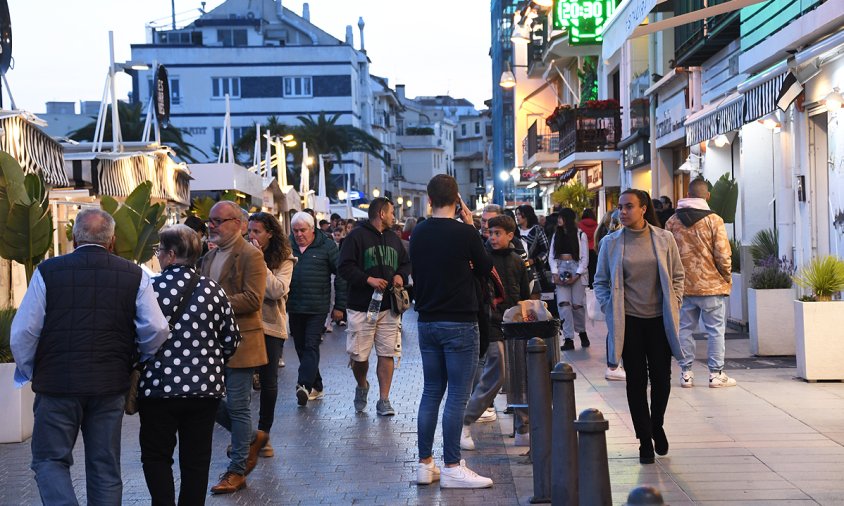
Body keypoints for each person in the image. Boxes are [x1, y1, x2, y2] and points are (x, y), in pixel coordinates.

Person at [10, 208, 169, 505]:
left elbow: (24, 332)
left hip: (57, 386)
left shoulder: (47, 271)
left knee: (50, 461)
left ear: (73, 238)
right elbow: (157, 327)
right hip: (110, 384)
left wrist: (33, 369)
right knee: (105, 466)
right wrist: (138, 357)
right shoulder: (134, 275)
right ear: (112, 241)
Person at [140, 224, 241, 505]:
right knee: (196, 459)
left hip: (158, 388)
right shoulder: (213, 290)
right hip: (204, 390)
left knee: (156, 455)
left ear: (171, 255)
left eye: (159, 250)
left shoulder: (150, 289)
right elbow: (232, 338)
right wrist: (211, 361)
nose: (158, 256)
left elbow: (136, 334)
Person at [410, 174, 494, 489]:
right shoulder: (464, 234)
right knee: (458, 394)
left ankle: (424, 464)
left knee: (431, 391)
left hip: (427, 321)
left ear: (429, 200)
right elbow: (485, 267)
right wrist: (472, 226)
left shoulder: (417, 232)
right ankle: (452, 465)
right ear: (457, 199)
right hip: (459, 321)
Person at [593, 189, 684, 465]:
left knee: (662, 379)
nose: (622, 212)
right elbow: (600, 281)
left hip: (659, 321)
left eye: (628, 206)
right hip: (628, 321)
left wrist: (676, 302)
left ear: (643, 208)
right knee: (635, 382)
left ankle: (657, 425)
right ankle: (645, 439)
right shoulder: (611, 243)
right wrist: (609, 307)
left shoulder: (664, 239)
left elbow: (678, 275)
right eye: (620, 207)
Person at [199, 201, 268, 494]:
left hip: (242, 341)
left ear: (238, 223)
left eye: (218, 220)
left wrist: (215, 301)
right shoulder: (208, 257)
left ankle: (237, 470)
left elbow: (253, 299)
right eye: (210, 221)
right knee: (209, 401)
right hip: (211, 343)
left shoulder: (251, 255)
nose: (212, 225)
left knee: (239, 407)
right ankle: (252, 436)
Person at [460, 214, 530, 451]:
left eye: (497, 233)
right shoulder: (483, 259)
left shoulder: (518, 261)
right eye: (490, 233)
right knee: (497, 374)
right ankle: (465, 420)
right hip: (490, 324)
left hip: (515, 326)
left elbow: (524, 295)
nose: (492, 237)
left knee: (520, 377)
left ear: (510, 235)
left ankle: (523, 427)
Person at [338, 197, 411, 416]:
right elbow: (344, 267)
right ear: (381, 213)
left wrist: (400, 274)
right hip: (361, 306)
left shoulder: (394, 238)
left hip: (389, 306)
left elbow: (406, 263)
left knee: (387, 353)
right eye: (390, 212)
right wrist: (367, 279)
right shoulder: (355, 237)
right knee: (359, 356)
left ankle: (384, 399)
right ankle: (362, 385)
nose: (393, 216)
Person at [665, 179, 735, 388]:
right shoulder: (714, 220)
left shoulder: (672, 221)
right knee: (715, 330)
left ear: (687, 194)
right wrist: (726, 276)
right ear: (708, 196)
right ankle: (716, 374)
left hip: (683, 288)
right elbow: (723, 254)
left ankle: (686, 373)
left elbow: (667, 255)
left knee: (684, 330)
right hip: (711, 286)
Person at [247, 212, 296, 458]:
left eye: (257, 231)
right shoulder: (241, 254)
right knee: (241, 381)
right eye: (250, 231)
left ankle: (263, 434)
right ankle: (244, 435)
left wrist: (259, 261)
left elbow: (277, 290)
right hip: (245, 324)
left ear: (270, 234)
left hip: (270, 325)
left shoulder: (285, 260)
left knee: (268, 382)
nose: (252, 236)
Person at [288, 211, 347, 406]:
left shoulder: (327, 246)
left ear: (312, 229)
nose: (298, 234)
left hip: (317, 306)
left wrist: (339, 306)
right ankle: (317, 385)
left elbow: (341, 275)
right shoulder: (288, 246)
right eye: (295, 230)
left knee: (311, 344)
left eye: (302, 230)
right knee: (300, 346)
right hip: (294, 305)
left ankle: (303, 385)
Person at [550, 208, 590, 351]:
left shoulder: (580, 235)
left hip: (577, 269)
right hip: (561, 268)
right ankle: (568, 338)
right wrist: (555, 273)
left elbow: (585, 258)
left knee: (577, 305)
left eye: (561, 217)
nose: (559, 220)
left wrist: (577, 274)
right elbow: (552, 255)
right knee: (563, 305)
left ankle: (582, 332)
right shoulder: (557, 235)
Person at [595, 209, 627, 381]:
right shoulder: (609, 241)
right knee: (615, 329)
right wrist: (606, 302)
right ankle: (613, 365)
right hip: (613, 295)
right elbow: (600, 277)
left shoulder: (605, 238)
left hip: (617, 296)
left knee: (616, 329)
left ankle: (615, 364)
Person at [579, 208, 599, 287]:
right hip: (594, 250)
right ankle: (592, 287)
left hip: (583, 251)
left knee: (583, 270)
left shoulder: (579, 225)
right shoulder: (596, 225)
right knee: (593, 271)